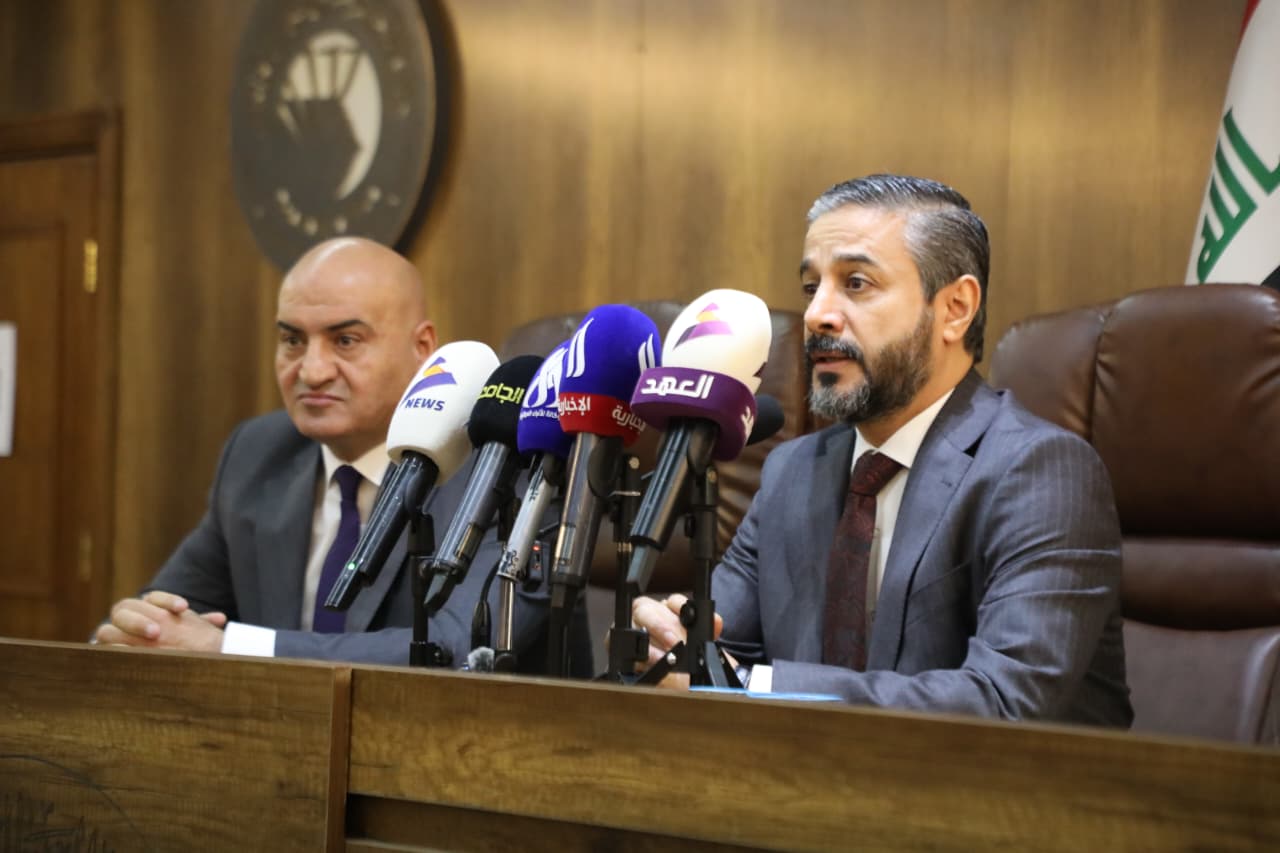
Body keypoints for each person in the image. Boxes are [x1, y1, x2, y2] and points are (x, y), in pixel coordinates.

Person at [633, 174, 1132, 726]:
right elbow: (717, 646)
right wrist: (666, 641)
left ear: (955, 308)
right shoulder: (791, 471)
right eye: (811, 288)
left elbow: (1005, 702)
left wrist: (750, 685)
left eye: (856, 283)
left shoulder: (1041, 472)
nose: (817, 315)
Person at [97, 237, 589, 673]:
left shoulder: (513, 469)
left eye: (345, 341)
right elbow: (174, 615)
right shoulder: (259, 453)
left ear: (423, 348)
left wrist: (229, 648)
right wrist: (142, 631)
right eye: (292, 340)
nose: (311, 371)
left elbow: (456, 648)